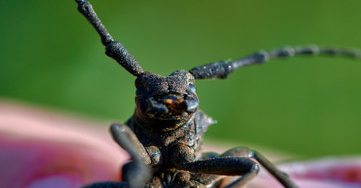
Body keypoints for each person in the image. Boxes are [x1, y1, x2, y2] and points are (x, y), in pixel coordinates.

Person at [1, 100, 360, 188]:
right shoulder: (138, 149)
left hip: (196, 178)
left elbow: (249, 165)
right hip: (142, 178)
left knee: (247, 159)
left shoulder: (196, 159)